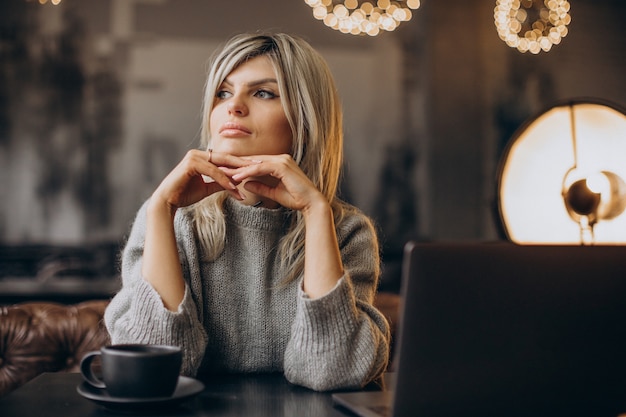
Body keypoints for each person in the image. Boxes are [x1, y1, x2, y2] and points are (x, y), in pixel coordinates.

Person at [104, 32, 390, 392]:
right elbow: (152, 367)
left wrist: (316, 211)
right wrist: (162, 210)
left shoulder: (347, 231)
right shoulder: (172, 218)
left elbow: (331, 370)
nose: (233, 106)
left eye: (263, 92)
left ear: (304, 119)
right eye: (223, 92)